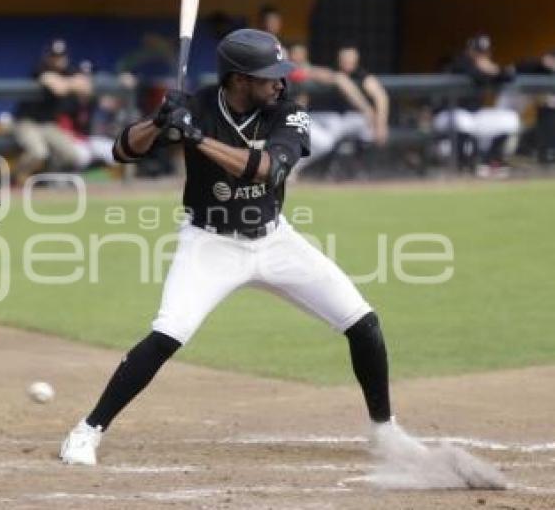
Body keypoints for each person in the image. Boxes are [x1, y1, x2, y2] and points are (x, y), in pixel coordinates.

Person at [59, 28, 413, 467]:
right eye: (269, 76)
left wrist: (196, 139)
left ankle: (384, 430)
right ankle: (86, 430)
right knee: (168, 333)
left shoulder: (289, 113)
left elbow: (267, 170)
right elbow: (121, 152)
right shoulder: (198, 106)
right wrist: (158, 122)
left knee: (363, 323)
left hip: (275, 239)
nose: (280, 83)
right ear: (239, 79)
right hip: (209, 243)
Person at [432, 34, 520, 177]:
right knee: (463, 120)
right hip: (447, 115)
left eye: (485, 52)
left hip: (473, 115)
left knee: (509, 119)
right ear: (469, 50)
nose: (481, 56)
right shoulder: (459, 63)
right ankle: (461, 165)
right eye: (478, 52)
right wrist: (492, 71)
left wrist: (496, 70)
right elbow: (476, 74)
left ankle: (490, 161)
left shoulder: (487, 66)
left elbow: (509, 76)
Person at [286, 43, 378, 174]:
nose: (298, 57)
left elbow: (333, 77)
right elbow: (308, 74)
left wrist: (367, 110)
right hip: (283, 120)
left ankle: (290, 167)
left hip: (304, 120)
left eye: (301, 54)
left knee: (326, 141)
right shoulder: (286, 71)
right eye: (295, 54)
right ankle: (288, 167)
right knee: (324, 142)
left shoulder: (304, 70)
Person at [12, 39, 94, 184]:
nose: (58, 60)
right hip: (27, 122)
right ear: (47, 57)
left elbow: (86, 87)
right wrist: (71, 83)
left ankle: (46, 181)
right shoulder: (40, 68)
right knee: (38, 153)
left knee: (73, 156)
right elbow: (58, 89)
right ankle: (15, 180)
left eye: (61, 56)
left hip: (49, 124)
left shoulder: (69, 70)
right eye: (54, 56)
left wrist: (67, 82)